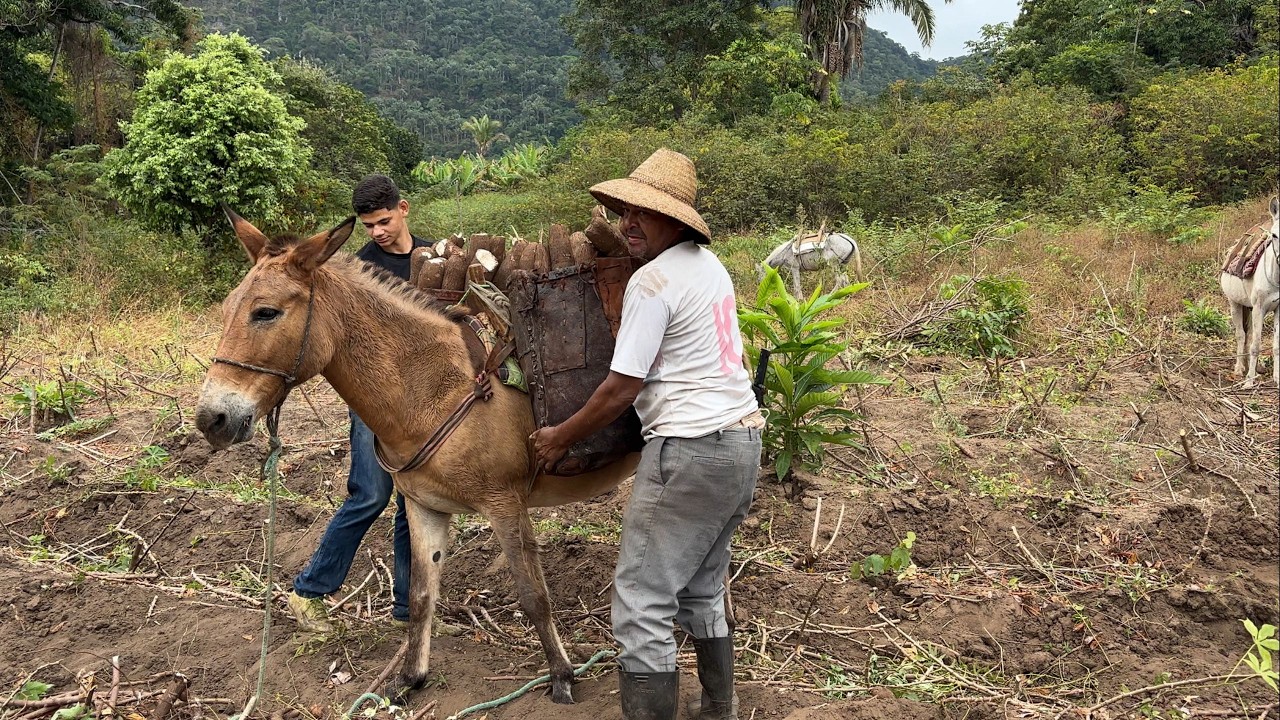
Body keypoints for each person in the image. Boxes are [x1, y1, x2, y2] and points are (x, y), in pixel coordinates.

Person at [531, 149, 763, 720]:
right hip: (742, 443)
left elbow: (619, 388)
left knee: (641, 604)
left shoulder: (653, 282)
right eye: (624, 212)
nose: (629, 224)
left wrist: (559, 436)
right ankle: (718, 711)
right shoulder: (708, 266)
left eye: (644, 215)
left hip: (689, 449)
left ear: (677, 221)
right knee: (703, 588)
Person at [285, 173, 432, 632]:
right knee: (371, 494)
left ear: (403, 208)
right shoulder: (361, 271)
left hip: (426, 401)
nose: (377, 232)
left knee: (418, 500)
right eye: (369, 226)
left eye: (384, 221)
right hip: (374, 399)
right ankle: (308, 591)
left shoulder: (436, 256)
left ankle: (409, 611)